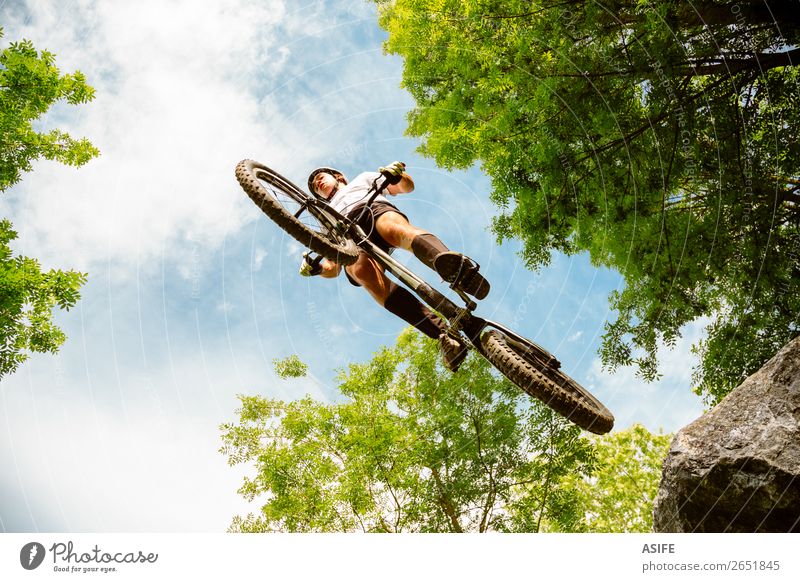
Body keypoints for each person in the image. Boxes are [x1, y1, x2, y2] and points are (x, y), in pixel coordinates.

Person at [299, 161, 490, 372]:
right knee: (360, 271)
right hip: (349, 242)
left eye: (320, 177)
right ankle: (443, 336)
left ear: (338, 176)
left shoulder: (362, 178)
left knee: (393, 228)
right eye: (315, 187)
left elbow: (405, 187)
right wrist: (317, 269)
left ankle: (460, 272)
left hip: (371, 209)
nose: (317, 182)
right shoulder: (323, 217)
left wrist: (397, 175)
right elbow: (333, 267)